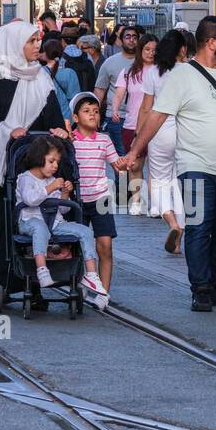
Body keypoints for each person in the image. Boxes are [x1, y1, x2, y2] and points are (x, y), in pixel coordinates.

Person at [127, 16, 216, 312]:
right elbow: (156, 115)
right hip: (196, 166)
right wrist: (135, 151)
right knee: (200, 227)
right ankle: (200, 287)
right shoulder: (182, 76)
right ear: (211, 42)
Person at [0, 20, 66, 306]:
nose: (37, 45)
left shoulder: (41, 76)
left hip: (34, 167)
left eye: (38, 40)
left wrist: (58, 130)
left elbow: (51, 115)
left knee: (33, 219)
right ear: (15, 44)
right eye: (31, 41)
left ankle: (33, 283)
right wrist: (7, 130)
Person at [16, 135, 109, 305]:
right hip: (31, 221)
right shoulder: (25, 178)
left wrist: (65, 194)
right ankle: (42, 270)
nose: (55, 166)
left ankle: (90, 274)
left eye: (57, 162)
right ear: (38, 158)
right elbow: (30, 200)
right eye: (51, 161)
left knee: (85, 231)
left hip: (55, 223)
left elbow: (63, 210)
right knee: (40, 229)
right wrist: (51, 187)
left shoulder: (52, 180)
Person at [137, 29, 189, 254]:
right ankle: (180, 233)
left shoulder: (152, 73)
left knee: (158, 181)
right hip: (185, 132)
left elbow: (146, 108)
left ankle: (172, 224)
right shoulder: (189, 70)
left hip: (159, 132)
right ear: (182, 49)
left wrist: (139, 139)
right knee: (181, 183)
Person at [70, 92, 126, 294]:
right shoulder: (70, 141)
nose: (93, 115)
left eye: (96, 111)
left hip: (100, 199)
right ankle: (79, 285)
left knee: (105, 246)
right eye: (86, 111)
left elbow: (117, 166)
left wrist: (123, 165)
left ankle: (103, 291)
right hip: (76, 201)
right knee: (76, 247)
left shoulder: (104, 140)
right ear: (75, 118)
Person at [111, 32, 157, 215]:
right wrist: (114, 109)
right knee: (135, 165)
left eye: (154, 50)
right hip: (131, 124)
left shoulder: (162, 71)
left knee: (155, 166)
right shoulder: (129, 72)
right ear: (140, 50)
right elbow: (119, 93)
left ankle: (155, 203)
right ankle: (137, 201)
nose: (151, 53)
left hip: (157, 125)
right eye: (147, 49)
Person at [94, 24, 139, 161]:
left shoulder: (146, 62)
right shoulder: (110, 62)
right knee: (122, 157)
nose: (131, 40)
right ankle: (123, 183)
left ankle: (131, 182)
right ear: (121, 39)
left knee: (136, 160)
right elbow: (100, 90)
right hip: (117, 117)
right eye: (127, 36)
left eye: (134, 37)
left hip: (141, 116)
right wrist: (95, 116)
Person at [60, 25, 96, 93]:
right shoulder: (87, 56)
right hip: (86, 95)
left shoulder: (62, 59)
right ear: (77, 40)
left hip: (70, 97)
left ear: (63, 41)